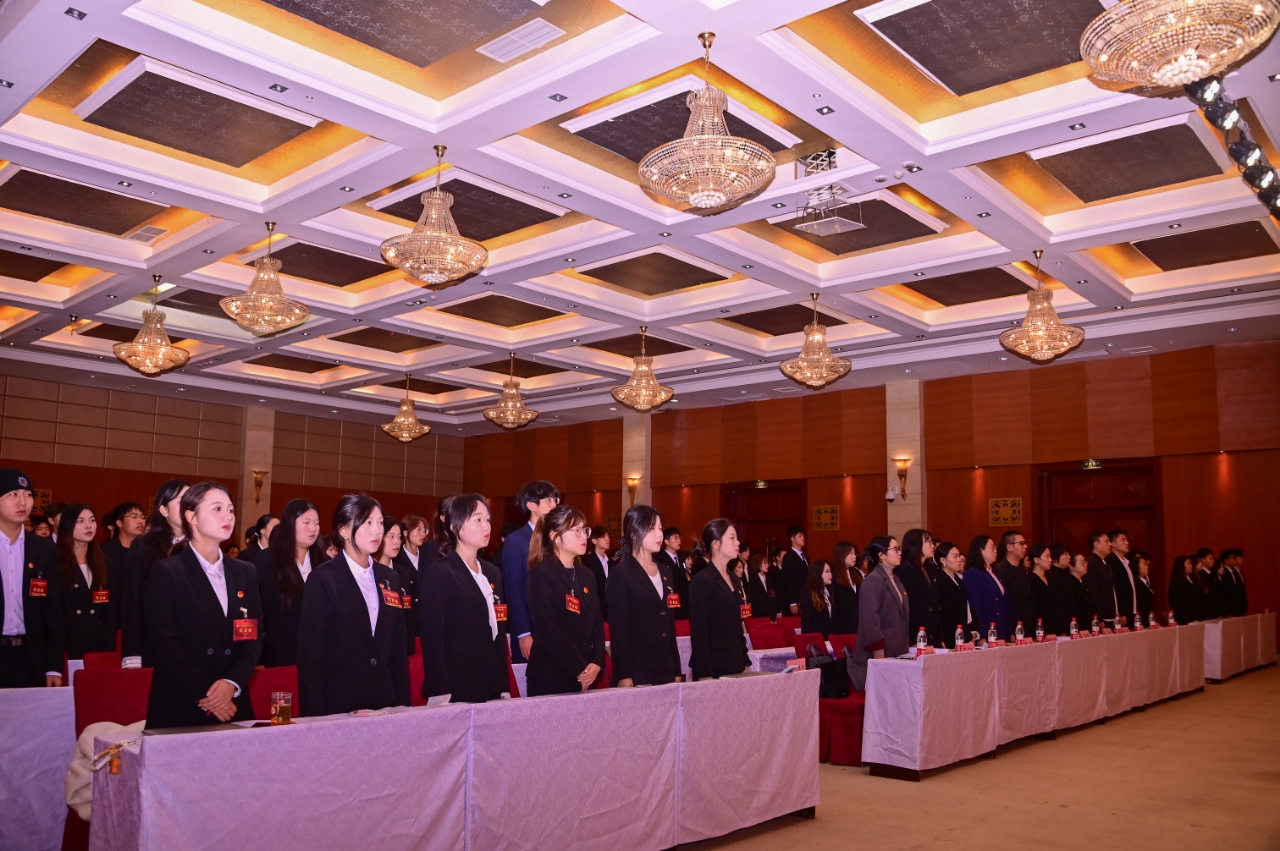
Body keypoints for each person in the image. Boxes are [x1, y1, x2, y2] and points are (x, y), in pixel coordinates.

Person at [144, 482, 261, 728]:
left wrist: (231, 684)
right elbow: (165, 644)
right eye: (217, 508)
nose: (228, 516)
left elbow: (252, 636)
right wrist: (210, 696)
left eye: (230, 510)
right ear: (191, 517)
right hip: (183, 701)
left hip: (233, 700)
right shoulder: (168, 572)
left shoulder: (245, 572)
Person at [297, 494, 408, 716]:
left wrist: (402, 704)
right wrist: (315, 716)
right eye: (368, 522)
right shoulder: (323, 579)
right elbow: (311, 653)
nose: (377, 530)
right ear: (344, 530)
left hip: (384, 702)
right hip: (339, 704)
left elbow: (397, 647)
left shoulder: (389, 578)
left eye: (380, 522)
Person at [418, 494, 510, 704]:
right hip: (457, 684)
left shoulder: (493, 572)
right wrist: (439, 688)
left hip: (492, 681)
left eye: (487, 520)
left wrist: (504, 684)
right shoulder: (440, 572)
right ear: (454, 526)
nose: (486, 526)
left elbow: (498, 630)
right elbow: (433, 636)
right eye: (477, 520)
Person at [525, 505, 605, 695]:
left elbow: (597, 621)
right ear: (555, 537)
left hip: (588, 671)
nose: (583, 536)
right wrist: (579, 668)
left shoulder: (587, 575)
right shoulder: (542, 573)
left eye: (584, 530)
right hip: (552, 674)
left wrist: (596, 662)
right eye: (576, 531)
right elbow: (547, 629)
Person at [607, 504, 682, 687]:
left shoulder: (666, 571)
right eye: (652, 528)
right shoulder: (621, 574)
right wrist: (624, 675)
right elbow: (619, 630)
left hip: (665, 667)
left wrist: (676, 667)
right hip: (638, 670)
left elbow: (669, 625)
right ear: (634, 533)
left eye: (660, 528)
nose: (659, 535)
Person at [0, 470, 63, 688]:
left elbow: (53, 611)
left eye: (28, 495)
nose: (22, 502)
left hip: (30, 657)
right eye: (13, 494)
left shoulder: (43, 549)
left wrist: (53, 666)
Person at [121, 479, 191, 668]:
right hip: (153, 645)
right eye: (181, 501)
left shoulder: (203, 546)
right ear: (164, 510)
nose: (188, 506)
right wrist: (132, 655)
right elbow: (133, 601)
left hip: (194, 646)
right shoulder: (144, 546)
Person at [255, 498, 326, 668]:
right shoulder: (268, 560)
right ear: (289, 523)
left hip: (319, 656)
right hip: (280, 655)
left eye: (316, 523)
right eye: (306, 522)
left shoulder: (325, 563)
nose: (313, 528)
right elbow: (259, 611)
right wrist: (259, 658)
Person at [502, 480, 560, 664]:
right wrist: (523, 632)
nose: (554, 504)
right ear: (531, 505)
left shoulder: (558, 538)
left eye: (556, 499)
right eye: (549, 499)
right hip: (531, 628)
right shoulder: (516, 541)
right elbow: (514, 590)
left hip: (557, 628)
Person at [688, 519, 748, 680]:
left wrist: (745, 661)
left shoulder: (734, 579)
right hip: (713, 667)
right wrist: (705, 673)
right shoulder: (702, 581)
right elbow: (699, 632)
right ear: (716, 544)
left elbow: (737, 625)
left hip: (735, 664)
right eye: (732, 538)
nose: (738, 542)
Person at [58, 504, 118, 659]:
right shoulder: (55, 561)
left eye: (92, 520)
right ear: (67, 525)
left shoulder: (106, 563)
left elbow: (111, 610)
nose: (88, 526)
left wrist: (107, 646)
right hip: (66, 644)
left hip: (98, 643)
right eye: (80, 521)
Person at [850, 537, 909, 690]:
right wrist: (878, 650)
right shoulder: (873, 580)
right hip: (881, 650)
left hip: (897, 647)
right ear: (882, 555)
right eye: (895, 549)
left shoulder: (895, 578)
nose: (899, 552)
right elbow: (870, 618)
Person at [376, 518, 415, 655]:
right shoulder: (369, 572)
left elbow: (407, 614)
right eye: (391, 536)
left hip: (398, 646)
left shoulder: (403, 573)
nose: (397, 542)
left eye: (399, 537)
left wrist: (409, 648)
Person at [900, 529, 942, 647]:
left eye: (932, 542)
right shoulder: (905, 570)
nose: (932, 545)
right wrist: (914, 639)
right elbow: (909, 608)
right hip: (919, 635)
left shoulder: (929, 568)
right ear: (915, 544)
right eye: (928, 542)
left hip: (934, 633)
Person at [963, 535, 1009, 643]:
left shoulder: (994, 572)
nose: (995, 550)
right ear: (981, 550)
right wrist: (981, 634)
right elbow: (974, 606)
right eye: (992, 547)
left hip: (1000, 626)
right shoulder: (973, 573)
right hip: (987, 628)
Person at [932, 541, 976, 648]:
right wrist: (965, 633)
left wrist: (972, 629)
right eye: (955, 556)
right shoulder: (939, 580)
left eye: (959, 556)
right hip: (950, 635)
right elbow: (947, 613)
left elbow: (967, 606)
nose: (959, 559)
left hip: (963, 632)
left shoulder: (957, 579)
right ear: (943, 560)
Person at [394, 514, 427, 653]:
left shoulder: (428, 557)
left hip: (425, 620)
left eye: (424, 530)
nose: (422, 534)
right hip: (409, 620)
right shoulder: (397, 559)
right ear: (406, 532)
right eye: (418, 529)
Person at [994, 531, 1033, 641]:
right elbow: (1004, 604)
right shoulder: (1001, 570)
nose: (1025, 547)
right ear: (1009, 547)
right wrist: (1010, 630)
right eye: (1021, 543)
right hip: (1013, 630)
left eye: (1025, 543)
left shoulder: (1020, 570)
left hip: (1026, 627)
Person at [1083, 531, 1119, 629]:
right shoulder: (1091, 563)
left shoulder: (1105, 563)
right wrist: (1098, 618)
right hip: (1102, 618)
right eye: (1106, 541)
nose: (1110, 544)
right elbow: (1093, 593)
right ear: (1096, 544)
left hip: (1111, 616)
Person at [1046, 544, 1083, 635]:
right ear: (1055, 556)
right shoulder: (1051, 575)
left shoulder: (1066, 575)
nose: (1069, 557)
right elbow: (1057, 605)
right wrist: (1061, 629)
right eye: (1065, 554)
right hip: (1062, 627)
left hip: (1073, 623)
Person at [101, 502, 145, 578]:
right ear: (119, 523)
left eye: (143, 517)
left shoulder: (148, 549)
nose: (140, 521)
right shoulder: (104, 551)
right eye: (134, 517)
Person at [1107, 529, 1139, 630]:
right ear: (1113, 543)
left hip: (1132, 610)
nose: (1127, 543)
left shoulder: (1127, 562)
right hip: (1121, 613)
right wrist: (1120, 612)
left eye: (1127, 540)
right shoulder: (1111, 561)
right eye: (1123, 540)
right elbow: (1116, 589)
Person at [829, 542, 859, 635]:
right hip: (842, 625)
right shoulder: (833, 576)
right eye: (851, 553)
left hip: (857, 622)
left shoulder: (855, 573)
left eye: (855, 553)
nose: (854, 556)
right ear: (841, 555)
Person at [656, 527, 687, 618]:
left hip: (682, 602)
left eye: (679, 538)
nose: (679, 540)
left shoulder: (681, 559)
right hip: (668, 601)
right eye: (675, 538)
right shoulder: (660, 559)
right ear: (666, 541)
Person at [799, 560, 834, 639]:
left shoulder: (828, 592)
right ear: (817, 573)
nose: (830, 574)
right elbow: (806, 624)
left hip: (828, 638)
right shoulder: (809, 595)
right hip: (816, 640)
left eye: (830, 571)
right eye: (827, 571)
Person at [1026, 544, 1054, 636]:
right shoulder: (1030, 580)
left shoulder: (1050, 578)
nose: (1050, 560)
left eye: (1050, 556)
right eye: (1047, 556)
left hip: (1052, 626)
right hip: (1038, 628)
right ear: (1036, 560)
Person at [781, 526, 808, 616]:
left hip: (804, 597)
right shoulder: (788, 557)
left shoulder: (805, 556)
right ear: (792, 539)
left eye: (803, 536)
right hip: (795, 598)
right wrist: (792, 602)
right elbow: (787, 580)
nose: (803, 538)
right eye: (800, 536)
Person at [585, 525, 611, 621]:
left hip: (611, 610)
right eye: (603, 537)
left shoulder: (612, 563)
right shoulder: (588, 562)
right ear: (594, 541)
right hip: (597, 611)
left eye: (608, 536)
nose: (607, 539)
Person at [745, 552, 777, 621]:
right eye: (765, 563)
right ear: (758, 564)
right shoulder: (753, 580)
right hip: (759, 615)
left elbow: (772, 597)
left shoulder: (769, 578)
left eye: (767, 563)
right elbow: (756, 600)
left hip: (770, 615)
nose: (767, 565)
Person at [1167, 555, 1200, 624]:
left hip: (1195, 615)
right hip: (1185, 617)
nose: (1191, 565)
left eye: (1191, 563)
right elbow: (1178, 601)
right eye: (1188, 563)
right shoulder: (1177, 580)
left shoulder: (1191, 578)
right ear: (1181, 565)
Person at [1192, 548, 1220, 619]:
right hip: (1207, 612)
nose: (1213, 561)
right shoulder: (1201, 575)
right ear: (1203, 560)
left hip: (1215, 610)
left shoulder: (1212, 574)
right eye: (1210, 558)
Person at [1220, 548, 1248, 616]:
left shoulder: (1235, 572)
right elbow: (1225, 593)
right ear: (1226, 560)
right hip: (1230, 609)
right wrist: (1226, 610)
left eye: (1235, 557)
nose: (1235, 559)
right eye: (1233, 558)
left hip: (1239, 607)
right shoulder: (1223, 572)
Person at [1130, 550, 1155, 625]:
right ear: (1136, 566)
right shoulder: (1135, 583)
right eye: (1144, 564)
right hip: (1140, 620)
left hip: (1148, 619)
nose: (1147, 567)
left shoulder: (1145, 581)